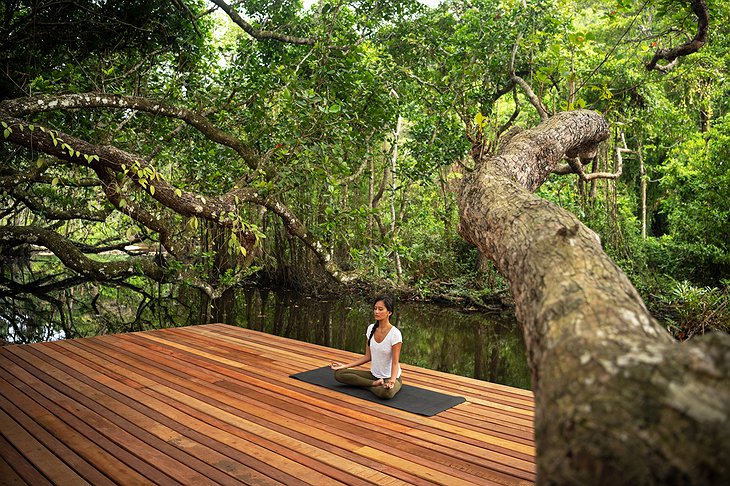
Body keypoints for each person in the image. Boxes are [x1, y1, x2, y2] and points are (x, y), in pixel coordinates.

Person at [329, 294, 403, 399]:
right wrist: (344, 366)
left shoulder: (395, 334)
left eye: (380, 309)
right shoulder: (371, 329)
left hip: (390, 377)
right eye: (375, 308)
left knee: (386, 393)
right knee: (339, 374)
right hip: (374, 375)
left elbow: (395, 362)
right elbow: (367, 357)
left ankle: (366, 384)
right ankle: (373, 384)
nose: (376, 312)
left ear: (389, 313)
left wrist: (392, 381)